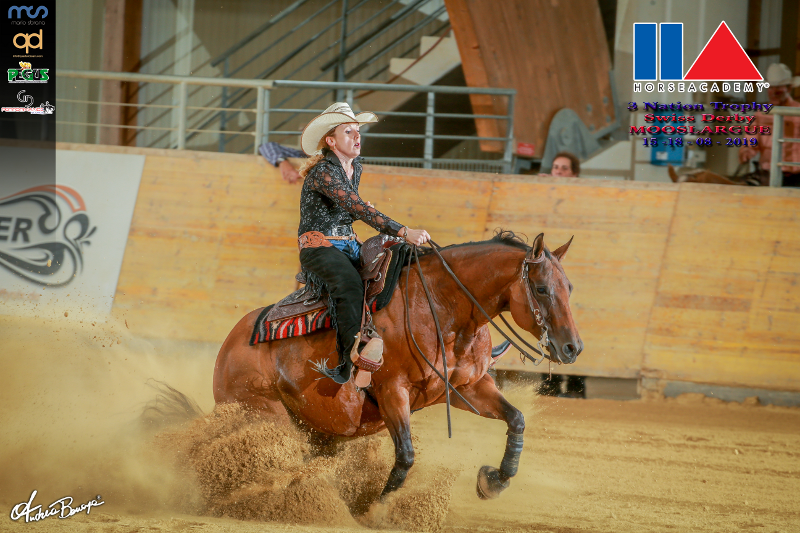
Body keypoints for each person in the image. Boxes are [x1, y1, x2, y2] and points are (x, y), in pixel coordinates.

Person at [296, 102, 430, 385]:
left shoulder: (355, 167)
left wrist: (358, 209)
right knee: (349, 284)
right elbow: (359, 210)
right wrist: (404, 229)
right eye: (348, 132)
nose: (357, 137)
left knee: (400, 253)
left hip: (348, 243)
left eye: (358, 131)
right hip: (318, 247)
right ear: (331, 141)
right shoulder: (323, 172)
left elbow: (349, 209)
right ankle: (348, 361)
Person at [739, 63, 800, 186]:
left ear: (788, 89)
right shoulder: (760, 114)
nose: (773, 92)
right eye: (770, 88)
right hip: (768, 174)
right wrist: (746, 151)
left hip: (796, 175)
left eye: (778, 88)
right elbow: (751, 140)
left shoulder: (797, 112)